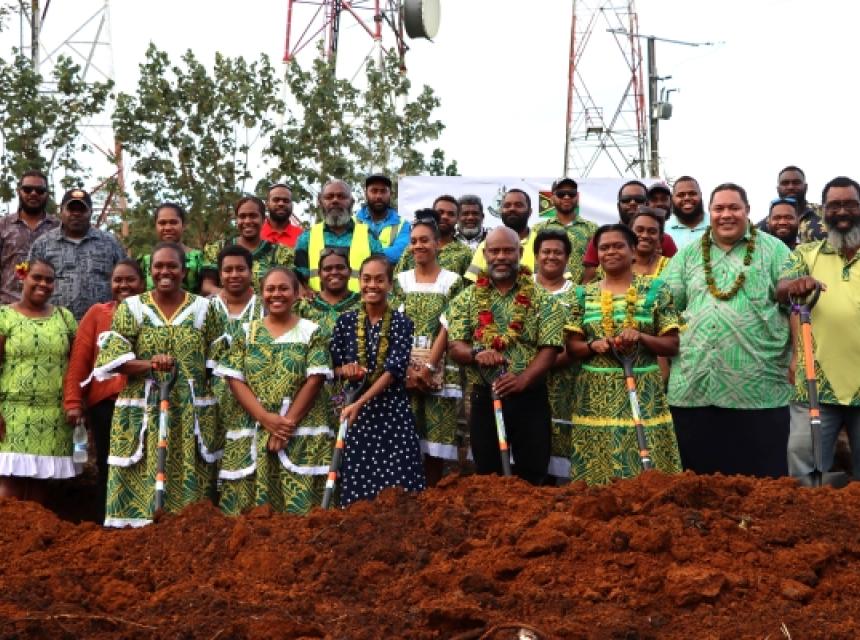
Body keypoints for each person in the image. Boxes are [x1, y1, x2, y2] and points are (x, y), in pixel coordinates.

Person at [89, 241, 225, 527]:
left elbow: (220, 363)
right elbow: (112, 360)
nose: (165, 272)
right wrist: (150, 364)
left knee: (190, 500)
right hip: (143, 411)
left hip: (190, 415)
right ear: (150, 271)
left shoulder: (205, 309)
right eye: (158, 266)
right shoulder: (132, 308)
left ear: (183, 269)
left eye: (172, 266)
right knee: (140, 477)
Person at [662, 183, 792, 478]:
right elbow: (666, 309)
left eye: (734, 208)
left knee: (762, 485)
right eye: (719, 208)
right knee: (697, 484)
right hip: (693, 385)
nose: (726, 215)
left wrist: (797, 358)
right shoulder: (688, 255)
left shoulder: (775, 250)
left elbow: (796, 303)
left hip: (759, 387)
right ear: (710, 213)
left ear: (748, 211)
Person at [565, 224, 682, 485]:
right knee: (597, 472)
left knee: (650, 468)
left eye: (618, 246)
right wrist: (592, 345)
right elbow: (572, 347)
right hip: (595, 394)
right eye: (604, 247)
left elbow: (672, 344)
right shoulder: (583, 294)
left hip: (645, 389)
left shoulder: (656, 290)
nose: (610, 252)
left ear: (632, 252)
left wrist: (641, 337)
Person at [448, 227, 564, 485]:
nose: (501, 256)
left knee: (533, 474)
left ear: (520, 253)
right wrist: (477, 353)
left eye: (508, 250)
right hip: (484, 398)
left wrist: (523, 381)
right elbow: (456, 346)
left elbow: (550, 348)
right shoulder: (465, 299)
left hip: (530, 398)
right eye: (494, 251)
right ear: (485, 254)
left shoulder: (544, 299)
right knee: (488, 474)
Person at [215, 267, 332, 515]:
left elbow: (316, 379)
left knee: (301, 518)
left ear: (297, 293)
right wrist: (264, 418)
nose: (276, 294)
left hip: (300, 427)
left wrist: (285, 425)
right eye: (270, 289)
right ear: (261, 293)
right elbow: (234, 379)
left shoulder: (312, 331)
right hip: (253, 424)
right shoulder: (246, 332)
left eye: (283, 288)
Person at [777, 176, 860, 479]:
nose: (842, 211)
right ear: (823, 211)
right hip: (814, 380)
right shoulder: (805, 254)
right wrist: (795, 285)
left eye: (850, 204)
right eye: (834, 205)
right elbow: (781, 288)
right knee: (803, 466)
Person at [330, 255, 425, 506]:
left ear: (390, 285)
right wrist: (346, 371)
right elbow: (333, 367)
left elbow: (394, 370)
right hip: (355, 415)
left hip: (391, 412)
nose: (372, 285)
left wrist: (360, 402)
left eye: (379, 280)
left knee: (398, 490)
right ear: (358, 282)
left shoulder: (402, 324)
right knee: (359, 491)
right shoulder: (345, 322)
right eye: (366, 279)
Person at [63, 259, 145, 521]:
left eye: (130, 279)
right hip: (106, 404)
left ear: (142, 282)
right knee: (109, 465)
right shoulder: (98, 313)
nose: (124, 285)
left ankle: (141, 519)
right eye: (118, 280)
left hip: (144, 402)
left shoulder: (152, 313)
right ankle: (107, 520)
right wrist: (74, 402)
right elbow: (80, 361)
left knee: (143, 463)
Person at [392, 211, 464, 485]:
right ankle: (407, 492)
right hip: (406, 368)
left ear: (437, 244)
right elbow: (395, 324)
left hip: (440, 366)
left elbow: (449, 324)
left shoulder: (452, 281)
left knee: (437, 435)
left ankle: (432, 492)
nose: (418, 245)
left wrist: (430, 367)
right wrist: (408, 371)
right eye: (414, 241)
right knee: (405, 432)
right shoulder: (401, 281)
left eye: (425, 240)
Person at [0, 258, 77, 505]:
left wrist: (75, 404)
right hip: (12, 413)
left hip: (53, 416)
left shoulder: (64, 318)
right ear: (23, 277)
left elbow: (76, 365)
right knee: (9, 484)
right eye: (37, 277)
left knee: (40, 484)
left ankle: (31, 543)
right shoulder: (4, 317)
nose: (43, 284)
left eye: (49, 280)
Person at [29, 188, 126, 320]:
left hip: (102, 324)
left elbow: (126, 281)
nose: (76, 213)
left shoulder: (110, 243)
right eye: (71, 209)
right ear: (61, 211)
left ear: (91, 212)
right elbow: (28, 285)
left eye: (82, 210)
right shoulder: (42, 244)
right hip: (55, 324)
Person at [532, 228, 578, 480]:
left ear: (567, 257)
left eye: (557, 252)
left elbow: (579, 339)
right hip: (522, 381)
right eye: (545, 252)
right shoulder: (522, 290)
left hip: (564, 381)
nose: (551, 257)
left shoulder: (578, 294)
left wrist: (544, 364)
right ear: (536, 255)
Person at [295, 180, 383, 292]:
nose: (335, 200)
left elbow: (381, 273)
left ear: (352, 202)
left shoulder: (369, 236)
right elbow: (297, 278)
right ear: (320, 202)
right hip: (317, 306)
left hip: (360, 306)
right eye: (329, 197)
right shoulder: (307, 238)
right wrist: (305, 292)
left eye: (341, 196)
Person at [581, 181, 676, 283]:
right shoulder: (603, 238)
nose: (632, 203)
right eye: (626, 200)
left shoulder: (664, 239)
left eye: (639, 200)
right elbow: (588, 282)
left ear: (647, 204)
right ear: (618, 206)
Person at [203, 196, 294, 294]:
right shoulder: (218, 249)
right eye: (242, 216)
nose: (247, 221)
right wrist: (234, 300)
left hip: (268, 307)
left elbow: (290, 287)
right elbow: (207, 286)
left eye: (253, 216)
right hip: (226, 306)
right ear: (236, 220)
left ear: (263, 219)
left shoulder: (280, 253)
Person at [0, 170, 59, 305]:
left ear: (47, 194)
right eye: (27, 189)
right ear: (18, 192)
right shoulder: (3, 226)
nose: (33, 193)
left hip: (49, 309)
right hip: (8, 307)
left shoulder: (59, 228)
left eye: (39, 190)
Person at [466, 189, 541, 282]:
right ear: (501, 211)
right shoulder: (486, 244)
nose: (512, 209)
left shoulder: (541, 244)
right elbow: (473, 284)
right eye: (507, 205)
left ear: (530, 212)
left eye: (518, 205)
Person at [533, 178, 598, 283]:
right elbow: (535, 262)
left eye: (571, 193)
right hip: (547, 293)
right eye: (561, 194)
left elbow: (597, 262)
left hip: (583, 293)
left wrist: (584, 288)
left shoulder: (592, 228)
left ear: (577, 197)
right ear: (552, 198)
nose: (566, 197)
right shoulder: (539, 229)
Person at [395, 198, 473, 277]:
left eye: (451, 214)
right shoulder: (412, 250)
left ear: (457, 219)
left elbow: (471, 285)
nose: (445, 217)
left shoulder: (466, 254)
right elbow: (397, 281)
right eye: (440, 212)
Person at [138, 203, 204, 293]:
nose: (168, 227)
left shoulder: (199, 258)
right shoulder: (145, 261)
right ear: (156, 226)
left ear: (183, 225)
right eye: (162, 223)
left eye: (173, 222)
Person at [295, 249, 361, 333]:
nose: (334, 272)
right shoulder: (305, 305)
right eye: (328, 269)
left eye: (340, 267)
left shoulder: (363, 304)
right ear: (319, 274)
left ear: (350, 271)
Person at [757, 166, 825, 243]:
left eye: (796, 183)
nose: (790, 187)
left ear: (805, 187)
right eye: (785, 183)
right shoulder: (766, 225)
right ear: (778, 189)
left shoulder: (824, 213)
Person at [355, 173, 411, 264]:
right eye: (374, 191)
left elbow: (400, 252)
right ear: (365, 194)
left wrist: (365, 253)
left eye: (383, 191)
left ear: (391, 194)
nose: (378, 196)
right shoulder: (352, 222)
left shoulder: (403, 224)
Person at [666, 176, 709, 249]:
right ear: (672, 198)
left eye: (692, 193)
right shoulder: (663, 230)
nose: (687, 198)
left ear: (701, 195)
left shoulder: (715, 226)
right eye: (681, 195)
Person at [630, 208, 672, 277]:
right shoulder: (617, 264)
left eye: (652, 232)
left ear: (660, 237)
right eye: (639, 230)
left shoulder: (671, 267)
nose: (645, 236)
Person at [262, 183, 302, 248]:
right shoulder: (256, 233)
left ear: (292, 205)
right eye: (276, 200)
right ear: (267, 204)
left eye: (286, 201)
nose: (281, 204)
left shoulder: (302, 237)